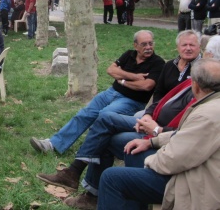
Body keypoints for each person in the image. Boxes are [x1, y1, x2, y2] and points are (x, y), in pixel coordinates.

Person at [41, 30, 201, 209]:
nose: (188, 48)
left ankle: (76, 173)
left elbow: (147, 86)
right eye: (184, 45)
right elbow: (157, 95)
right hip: (144, 115)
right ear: (177, 47)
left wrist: (156, 128)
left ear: (199, 47)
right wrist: (148, 113)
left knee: (105, 118)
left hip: (157, 124)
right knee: (88, 115)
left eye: (192, 45)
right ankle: (85, 188)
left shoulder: (199, 72)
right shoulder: (169, 65)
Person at [97, 58, 220, 210]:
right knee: (131, 149)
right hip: (191, 168)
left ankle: (83, 180)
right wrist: (151, 142)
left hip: (195, 184)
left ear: (195, 85)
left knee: (111, 178)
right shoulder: (210, 104)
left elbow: (175, 159)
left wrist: (149, 161)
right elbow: (183, 135)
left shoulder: (207, 114)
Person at [30, 30, 165, 156]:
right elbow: (111, 70)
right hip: (111, 92)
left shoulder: (157, 63)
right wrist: (135, 77)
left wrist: (122, 81)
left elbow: (146, 86)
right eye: (144, 44)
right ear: (135, 45)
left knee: (104, 115)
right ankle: (52, 144)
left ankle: (86, 154)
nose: (148, 47)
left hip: (131, 101)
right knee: (85, 113)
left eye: (150, 43)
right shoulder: (129, 54)